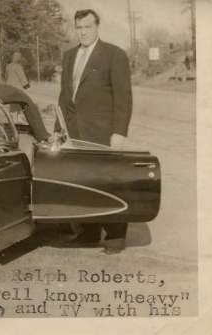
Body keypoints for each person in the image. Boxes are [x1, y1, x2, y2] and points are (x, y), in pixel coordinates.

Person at [58, 9, 132, 254]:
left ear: (97, 26)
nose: (83, 32)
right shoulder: (69, 56)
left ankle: (115, 237)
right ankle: (89, 232)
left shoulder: (114, 55)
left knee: (108, 183)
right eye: (79, 27)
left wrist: (119, 132)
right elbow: (65, 97)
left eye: (88, 27)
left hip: (103, 134)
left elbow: (123, 98)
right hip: (75, 133)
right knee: (82, 183)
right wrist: (59, 129)